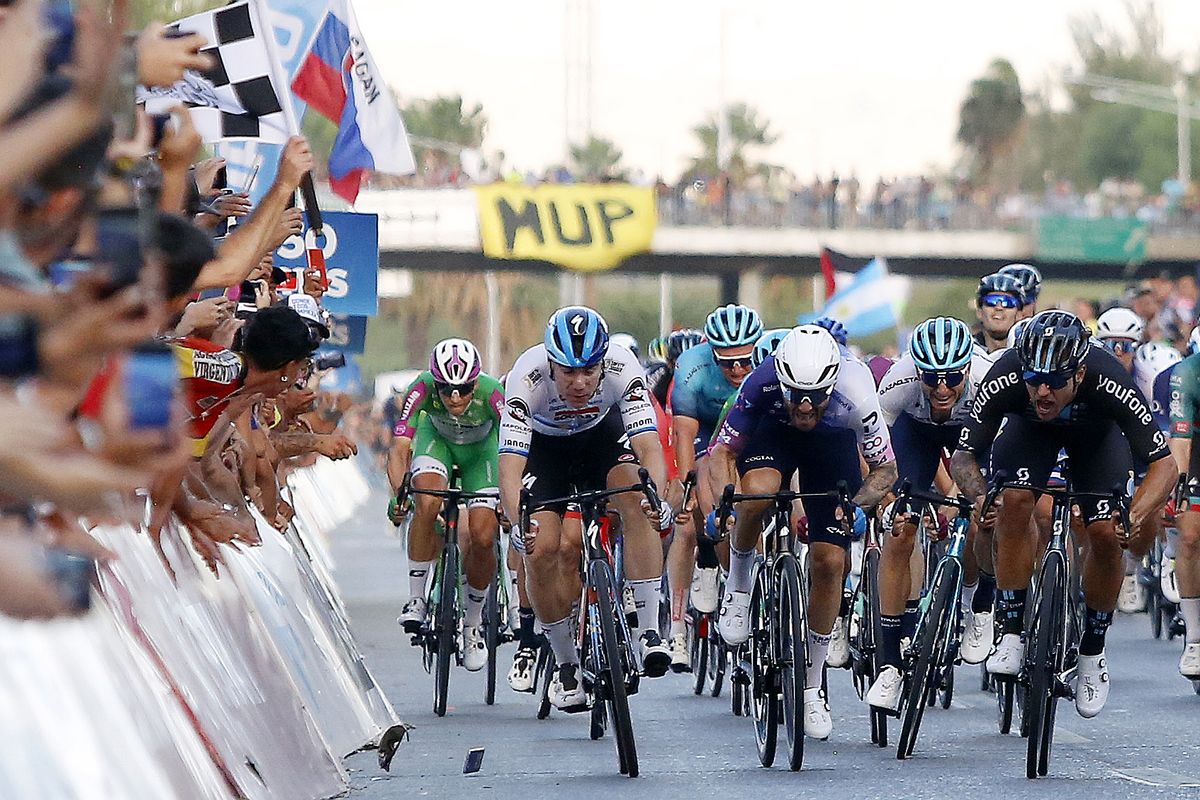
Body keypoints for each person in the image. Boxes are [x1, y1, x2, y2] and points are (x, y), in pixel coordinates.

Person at [950, 311, 1177, 718]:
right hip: (1029, 437)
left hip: (1097, 442)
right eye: (1034, 379)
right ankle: (1014, 630)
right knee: (1014, 502)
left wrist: (1136, 514)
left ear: (1079, 372)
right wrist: (980, 495)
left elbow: (1165, 465)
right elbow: (965, 456)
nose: (1042, 391)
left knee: (1107, 533)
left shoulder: (1109, 378)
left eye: (1054, 381)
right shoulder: (1008, 373)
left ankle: (1092, 651)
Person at [708, 325, 896, 739]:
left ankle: (811, 688)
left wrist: (859, 506)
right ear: (782, 380)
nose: (806, 406)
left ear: (834, 381)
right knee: (756, 494)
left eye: (817, 396)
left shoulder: (858, 392)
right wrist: (723, 503)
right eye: (797, 395)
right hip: (773, 437)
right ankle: (738, 587)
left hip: (831, 446)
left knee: (831, 562)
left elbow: (885, 469)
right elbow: (721, 452)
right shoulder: (762, 381)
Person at [498, 307, 678, 709]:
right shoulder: (526, 378)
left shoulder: (621, 365)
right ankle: (566, 663)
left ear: (602, 364)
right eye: (567, 373)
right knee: (539, 548)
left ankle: (649, 630)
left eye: (588, 372)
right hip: (545, 450)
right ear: (550, 364)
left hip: (601, 436)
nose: (579, 383)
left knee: (637, 495)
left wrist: (658, 499)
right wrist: (515, 521)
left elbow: (648, 446)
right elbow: (510, 467)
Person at [865, 317, 993, 712]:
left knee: (984, 513)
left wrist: (968, 496)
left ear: (967, 368)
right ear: (917, 369)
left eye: (952, 377)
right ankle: (889, 664)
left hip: (974, 436)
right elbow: (873, 452)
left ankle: (980, 604)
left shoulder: (989, 379)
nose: (941, 387)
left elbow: (1004, 455)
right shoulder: (898, 382)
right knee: (900, 531)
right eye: (932, 377)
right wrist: (886, 501)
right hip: (914, 434)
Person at [386, 338, 505, 674]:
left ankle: (472, 624)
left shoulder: (494, 393)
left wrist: (512, 501)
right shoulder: (420, 387)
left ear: (476, 382)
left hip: (481, 455)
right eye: (446, 389)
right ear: (434, 382)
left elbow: (516, 448)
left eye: (464, 389)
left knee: (482, 536)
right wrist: (400, 495)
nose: (455, 397)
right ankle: (416, 599)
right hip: (436, 443)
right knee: (427, 501)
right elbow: (399, 448)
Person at [667, 304, 762, 668]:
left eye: (745, 361)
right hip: (708, 434)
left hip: (750, 430)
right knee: (714, 508)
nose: (738, 370)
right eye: (727, 363)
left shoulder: (770, 358)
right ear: (712, 354)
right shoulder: (692, 366)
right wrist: (687, 483)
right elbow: (684, 430)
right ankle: (710, 556)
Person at [1167, 347, 1200, 682]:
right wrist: (1175, 488)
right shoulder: (1188, 372)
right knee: (1189, 535)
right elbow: (1180, 440)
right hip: (1196, 450)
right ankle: (1195, 637)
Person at [973, 272, 1026, 355]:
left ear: (1019, 314)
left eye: (1008, 302)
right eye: (991, 301)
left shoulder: (1027, 353)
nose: (999, 308)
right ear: (979, 312)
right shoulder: (967, 352)